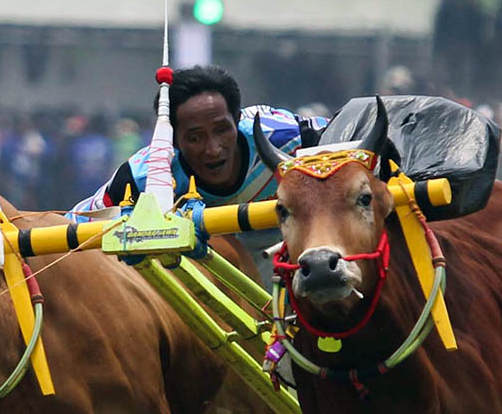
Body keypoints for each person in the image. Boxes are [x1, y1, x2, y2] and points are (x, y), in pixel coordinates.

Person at [70, 65, 327, 283]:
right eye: (195, 137)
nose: (213, 149)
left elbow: (353, 151)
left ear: (237, 119)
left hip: (300, 248)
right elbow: (74, 228)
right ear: (173, 140)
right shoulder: (144, 176)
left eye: (222, 130)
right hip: (214, 268)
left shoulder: (289, 136)